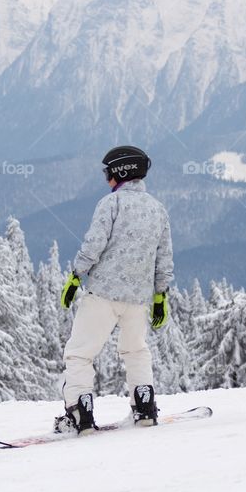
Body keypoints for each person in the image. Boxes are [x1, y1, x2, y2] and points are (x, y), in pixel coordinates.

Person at [54, 145, 174, 435]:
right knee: (136, 351)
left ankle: (79, 415)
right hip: (138, 299)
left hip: (102, 295)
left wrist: (75, 276)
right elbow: (164, 257)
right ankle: (144, 408)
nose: (106, 178)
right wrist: (160, 295)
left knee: (80, 354)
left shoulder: (111, 204)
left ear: (120, 172)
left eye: (107, 172)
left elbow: (94, 244)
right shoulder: (157, 209)